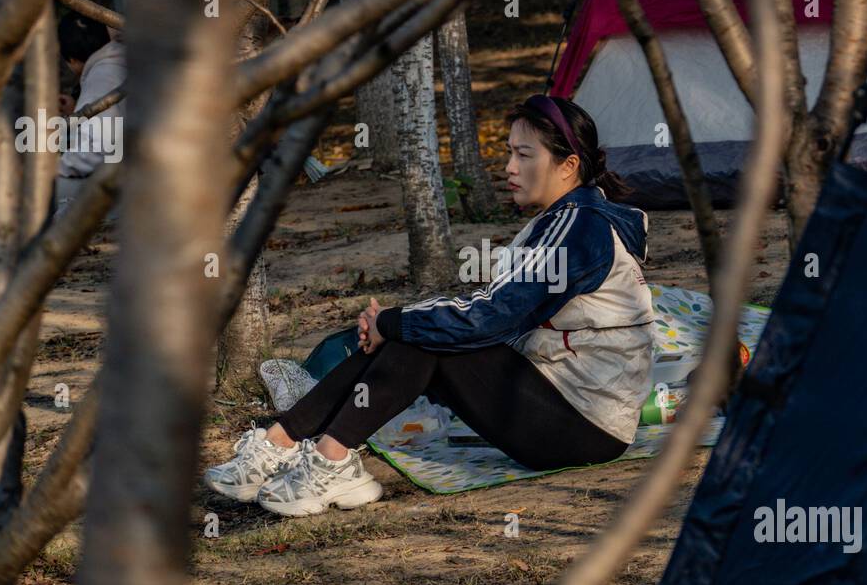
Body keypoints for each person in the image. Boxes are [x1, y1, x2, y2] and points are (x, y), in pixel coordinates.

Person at [205, 94, 655, 518]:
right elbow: (489, 312)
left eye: (524, 155)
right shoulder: (566, 221)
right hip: (558, 407)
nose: (509, 167)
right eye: (509, 153)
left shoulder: (578, 228)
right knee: (418, 334)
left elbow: (489, 317)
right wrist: (394, 323)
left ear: (568, 165)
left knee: (421, 339)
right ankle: (283, 443)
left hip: (582, 427)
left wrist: (392, 322)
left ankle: (327, 459)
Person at [55, 13, 125, 206]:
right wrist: (76, 109)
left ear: (73, 60)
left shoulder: (102, 76)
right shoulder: (122, 61)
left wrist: (53, 168)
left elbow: (92, 151)